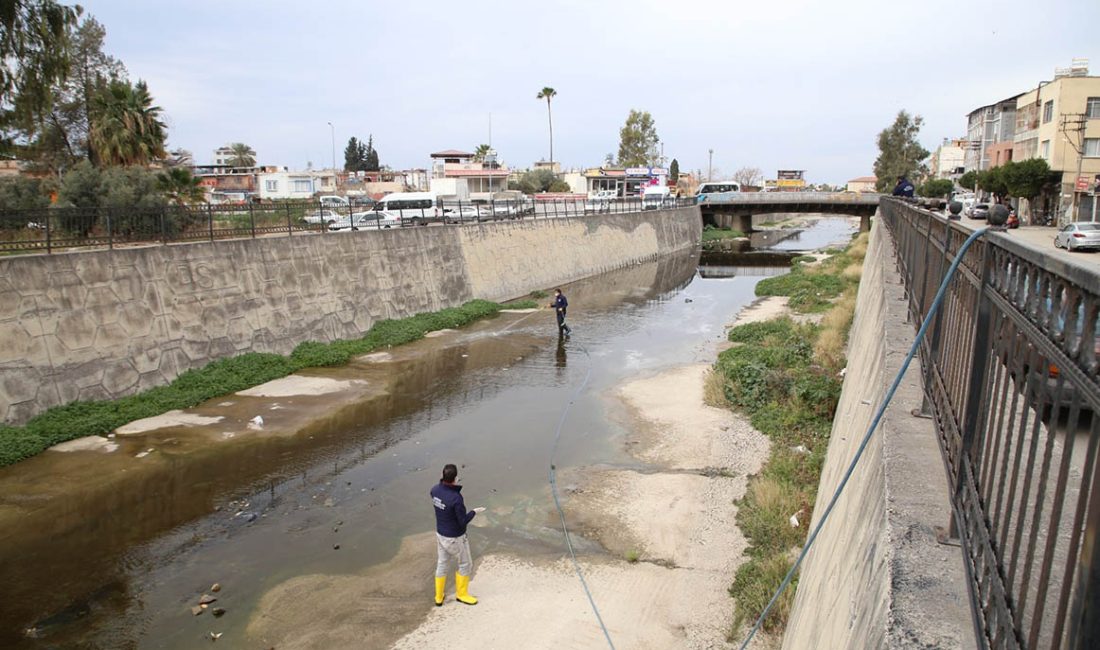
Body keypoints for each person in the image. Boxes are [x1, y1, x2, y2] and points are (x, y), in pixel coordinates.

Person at [430, 463, 484, 606]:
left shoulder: (434, 490)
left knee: (442, 563)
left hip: (441, 534)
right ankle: (462, 594)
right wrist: (474, 512)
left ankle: (439, 596)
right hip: (455, 537)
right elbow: (462, 522)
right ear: (455, 478)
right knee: (466, 564)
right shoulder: (456, 498)